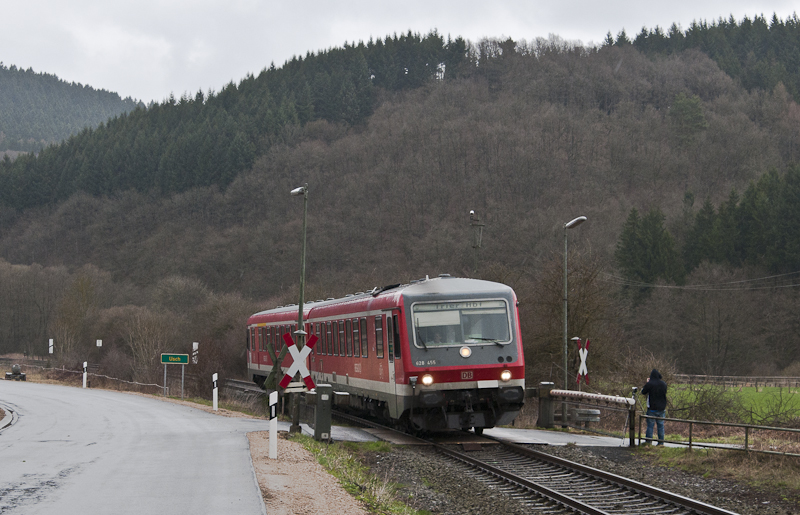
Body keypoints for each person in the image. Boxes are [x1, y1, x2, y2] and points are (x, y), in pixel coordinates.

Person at [641, 369, 667, 445]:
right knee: (661, 426)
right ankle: (661, 443)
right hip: (662, 408)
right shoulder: (663, 384)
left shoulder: (650, 384)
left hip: (652, 408)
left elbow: (643, 392)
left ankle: (648, 442)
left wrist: (647, 383)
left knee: (650, 426)